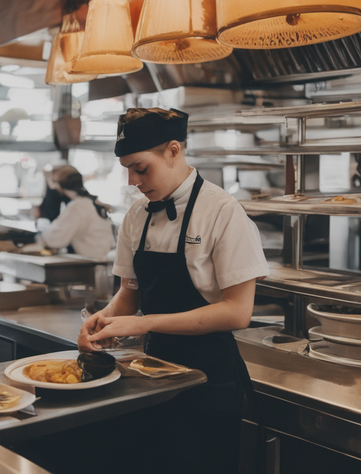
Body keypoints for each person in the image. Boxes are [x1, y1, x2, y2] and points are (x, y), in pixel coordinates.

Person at [77, 107, 269, 473]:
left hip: (209, 378)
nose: (134, 179)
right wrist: (103, 319)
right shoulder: (136, 215)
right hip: (150, 373)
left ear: (173, 151)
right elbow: (129, 294)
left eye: (141, 168)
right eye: (128, 170)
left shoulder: (223, 212)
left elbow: (237, 312)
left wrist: (143, 324)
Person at [36, 165, 115, 260]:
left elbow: (55, 239)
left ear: (59, 185)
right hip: (100, 260)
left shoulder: (78, 206)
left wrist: (38, 235)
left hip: (91, 264)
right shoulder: (89, 201)